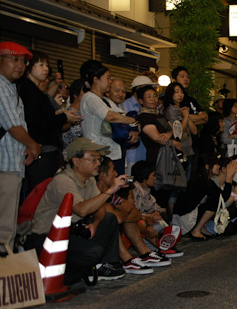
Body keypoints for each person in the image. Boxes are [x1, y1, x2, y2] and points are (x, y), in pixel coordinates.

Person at [28, 137, 148, 280]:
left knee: (108, 219)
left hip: (71, 232)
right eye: (93, 159)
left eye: (99, 159)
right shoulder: (63, 180)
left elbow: (101, 208)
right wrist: (111, 190)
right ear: (76, 161)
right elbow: (81, 210)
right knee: (92, 252)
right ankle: (65, 276)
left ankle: (103, 265)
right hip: (48, 237)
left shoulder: (89, 180)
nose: (98, 163)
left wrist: (95, 224)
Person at [17, 51, 80, 194]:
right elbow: (37, 123)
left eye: (46, 65)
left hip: (48, 152)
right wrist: (64, 118)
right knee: (38, 196)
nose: (45, 69)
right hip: (40, 152)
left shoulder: (37, 92)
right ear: (29, 67)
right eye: (40, 65)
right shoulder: (28, 91)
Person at [0, 42, 41, 250]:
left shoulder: (10, 87)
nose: (20, 65)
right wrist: (34, 145)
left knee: (8, 221)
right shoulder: (1, 86)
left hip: (12, 163)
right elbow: (13, 126)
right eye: (14, 60)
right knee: (5, 225)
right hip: (4, 166)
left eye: (23, 62)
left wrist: (27, 146)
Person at [79, 62, 138, 175]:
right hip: (98, 152)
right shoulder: (90, 97)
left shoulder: (106, 100)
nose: (110, 81)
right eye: (108, 78)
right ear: (96, 79)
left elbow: (122, 116)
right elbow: (109, 116)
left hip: (113, 151)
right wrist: (132, 121)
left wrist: (134, 127)